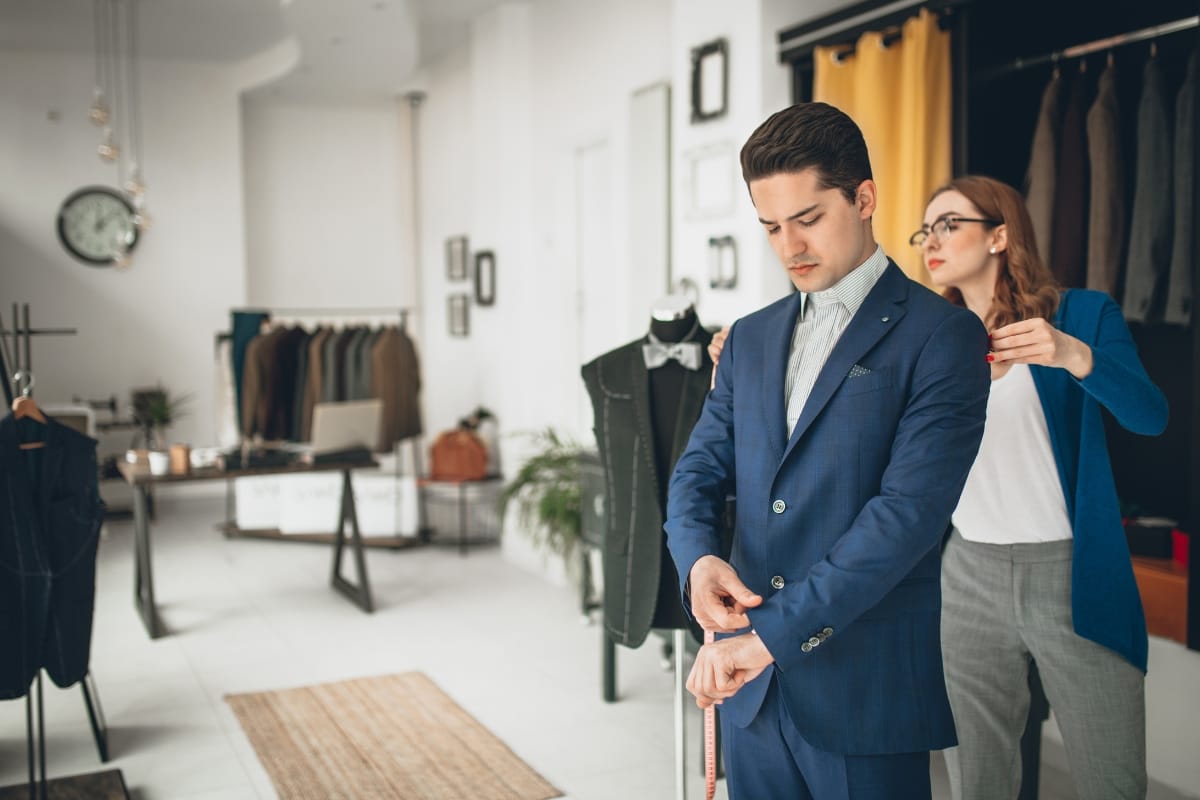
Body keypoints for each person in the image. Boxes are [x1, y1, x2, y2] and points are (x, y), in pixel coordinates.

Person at [664, 101, 991, 799]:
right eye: (771, 227)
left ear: (864, 198)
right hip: (748, 692)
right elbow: (697, 472)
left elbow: (906, 518)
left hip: (864, 690)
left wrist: (772, 636)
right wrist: (697, 564)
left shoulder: (943, 337)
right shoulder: (748, 338)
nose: (790, 247)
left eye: (808, 219)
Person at [914, 174, 1167, 799]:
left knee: (1112, 778)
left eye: (950, 223)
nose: (931, 241)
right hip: (966, 573)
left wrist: (1073, 356)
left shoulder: (1081, 315)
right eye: (925, 229)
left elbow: (1150, 416)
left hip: (1072, 575)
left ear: (1000, 234)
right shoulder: (924, 338)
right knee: (980, 781)